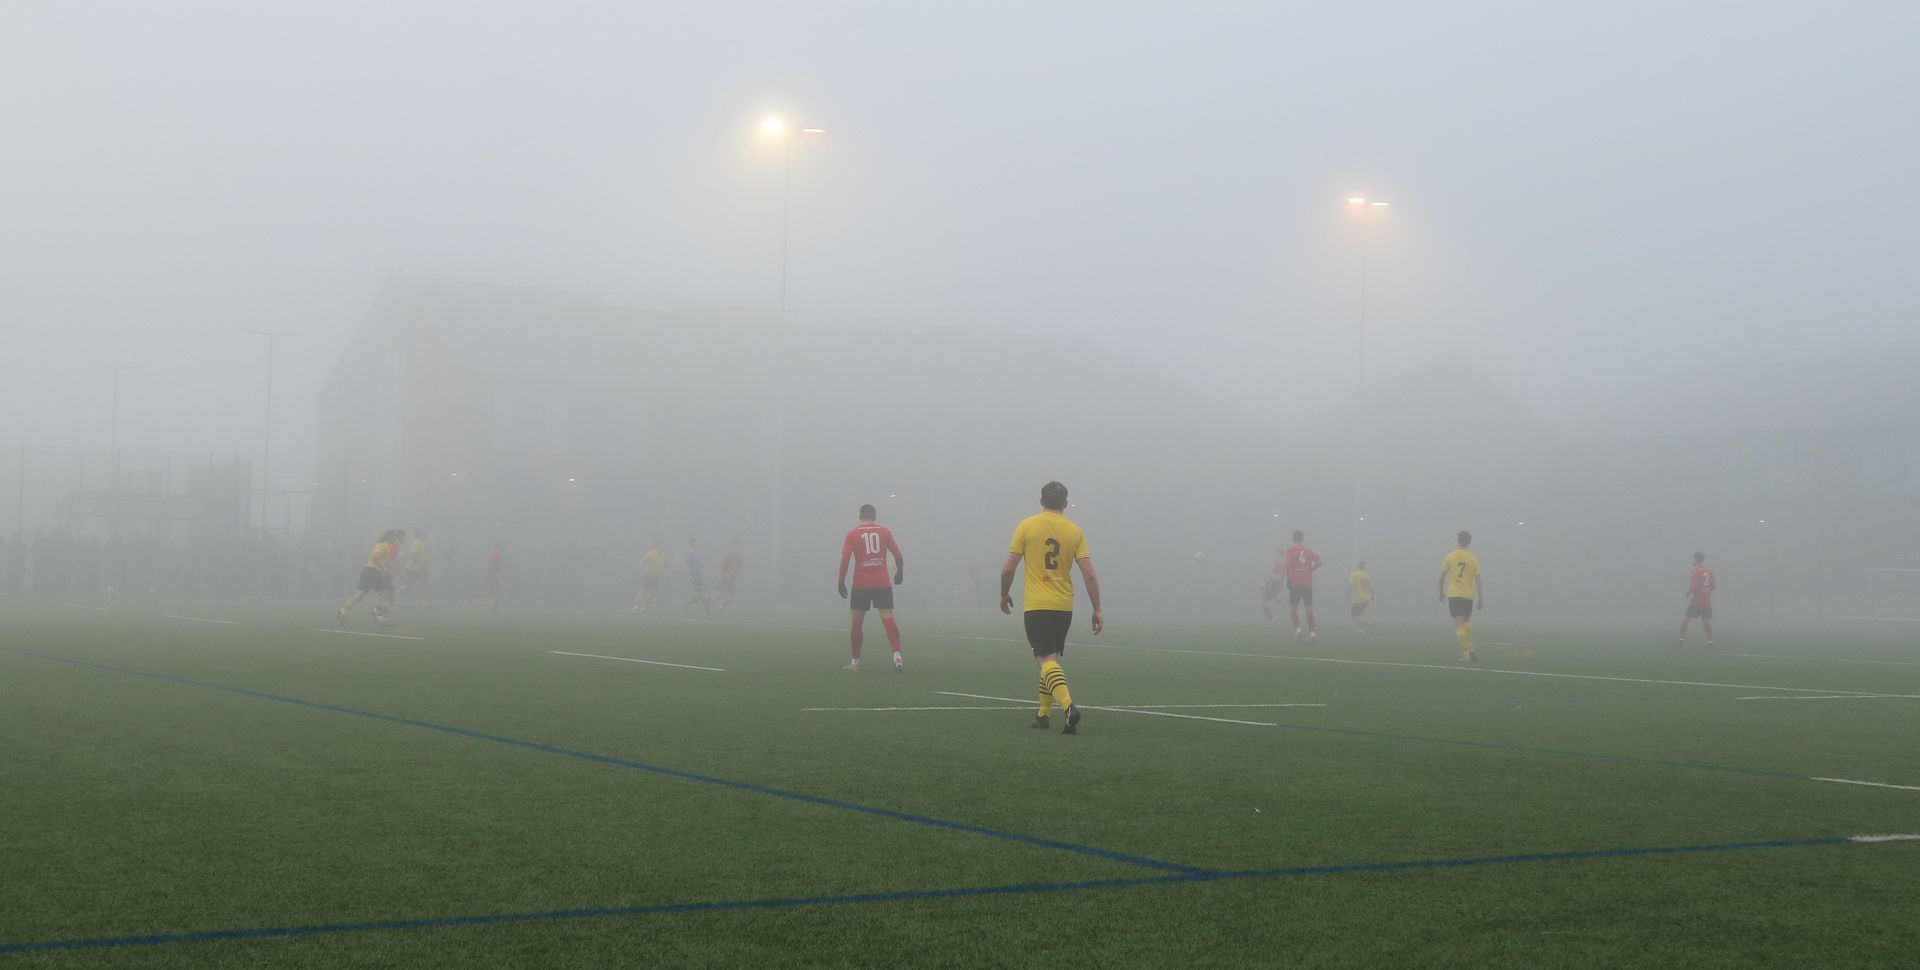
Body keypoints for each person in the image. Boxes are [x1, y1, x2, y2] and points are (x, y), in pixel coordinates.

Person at [1001, 481, 1102, 735]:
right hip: (1063, 606)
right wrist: (1097, 608)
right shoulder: (1075, 531)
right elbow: (1089, 573)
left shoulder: (1026, 526)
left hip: (1037, 605)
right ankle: (1043, 714)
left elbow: (1008, 568)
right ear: (1065, 504)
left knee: (1045, 659)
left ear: (1041, 501)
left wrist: (1004, 593)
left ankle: (1069, 708)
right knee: (1049, 658)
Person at [838, 505, 905, 671]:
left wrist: (840, 581)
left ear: (859, 516)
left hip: (861, 583)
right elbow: (898, 555)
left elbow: (845, 558)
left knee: (857, 621)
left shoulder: (852, 534)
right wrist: (900, 572)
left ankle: (855, 662)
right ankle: (897, 655)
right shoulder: (885, 532)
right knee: (888, 620)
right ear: (875, 516)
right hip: (882, 583)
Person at [337, 529, 403, 627]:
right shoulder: (384, 545)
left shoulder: (384, 545)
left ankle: (342, 612)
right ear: (389, 536)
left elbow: (385, 561)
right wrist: (383, 568)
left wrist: (396, 570)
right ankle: (383, 618)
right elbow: (374, 556)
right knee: (385, 594)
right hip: (373, 571)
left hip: (367, 571)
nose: (395, 538)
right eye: (394, 536)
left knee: (359, 597)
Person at [1438, 530, 1484, 662]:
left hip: (1455, 594)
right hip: (1468, 595)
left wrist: (1440, 592)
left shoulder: (1450, 556)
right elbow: (1478, 580)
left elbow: (1441, 577)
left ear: (1458, 540)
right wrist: (1480, 598)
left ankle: (1465, 653)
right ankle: (1471, 647)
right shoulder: (1473, 559)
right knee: (1467, 622)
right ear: (1469, 542)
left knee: (1459, 625)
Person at [1280, 530, 1323, 642]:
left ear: (1293, 539)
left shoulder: (1290, 551)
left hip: (1295, 583)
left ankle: (1298, 628)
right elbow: (1319, 562)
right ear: (1302, 539)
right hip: (1307, 584)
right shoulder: (1309, 551)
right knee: (1308, 608)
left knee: (1293, 607)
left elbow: (1287, 564)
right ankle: (1312, 632)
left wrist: (1288, 578)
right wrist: (1310, 570)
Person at [1678, 551, 1717, 648]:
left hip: (1697, 601)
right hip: (1707, 601)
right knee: (1706, 621)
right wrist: (1706, 593)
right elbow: (1713, 586)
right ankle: (1710, 642)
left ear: (1696, 559)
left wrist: (1688, 592)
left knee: (1686, 619)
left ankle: (1680, 640)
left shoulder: (1695, 570)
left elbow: (1694, 586)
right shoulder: (1709, 570)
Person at [398, 528, 434, 609]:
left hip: (420, 569)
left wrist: (425, 560)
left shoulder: (422, 543)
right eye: (423, 533)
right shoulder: (417, 543)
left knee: (428, 584)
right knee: (408, 587)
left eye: (425, 533)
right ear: (418, 535)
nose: (425, 535)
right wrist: (422, 559)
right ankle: (393, 595)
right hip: (412, 569)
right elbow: (411, 556)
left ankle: (428, 604)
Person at [632, 541, 667, 612]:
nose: (661, 548)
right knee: (643, 590)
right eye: (659, 546)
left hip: (655, 576)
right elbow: (643, 561)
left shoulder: (663, 555)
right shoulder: (651, 553)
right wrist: (643, 570)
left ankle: (644, 607)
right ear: (655, 546)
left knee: (653, 593)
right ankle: (636, 606)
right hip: (647, 575)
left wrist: (668, 564)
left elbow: (663, 563)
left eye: (661, 546)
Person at [681, 539, 711, 617]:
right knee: (705, 594)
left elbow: (695, 564)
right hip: (695, 575)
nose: (697, 545)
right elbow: (685, 564)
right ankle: (707, 613)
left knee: (700, 595)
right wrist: (689, 575)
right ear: (692, 545)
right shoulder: (690, 554)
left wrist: (701, 565)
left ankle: (686, 607)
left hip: (698, 575)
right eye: (696, 544)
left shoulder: (695, 554)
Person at [473, 540, 504, 611]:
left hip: (493, 573)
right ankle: (495, 605)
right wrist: (496, 573)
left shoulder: (496, 553)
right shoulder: (496, 553)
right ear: (499, 546)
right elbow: (493, 564)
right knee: (495, 590)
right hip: (493, 573)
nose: (503, 547)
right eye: (502, 545)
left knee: (494, 591)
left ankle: (495, 604)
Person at [1260, 546, 1285, 626]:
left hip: (1275, 586)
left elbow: (1277, 577)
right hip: (1273, 585)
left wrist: (1270, 571)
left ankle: (1272, 621)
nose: (1274, 556)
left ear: (1280, 554)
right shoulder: (1278, 563)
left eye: (1276, 554)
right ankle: (1276, 599)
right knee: (1264, 600)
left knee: (1264, 603)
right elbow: (1274, 577)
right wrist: (1266, 583)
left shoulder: (1281, 564)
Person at [716, 540, 744, 611]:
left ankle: (721, 605)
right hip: (725, 578)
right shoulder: (729, 555)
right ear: (734, 546)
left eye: (740, 546)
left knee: (732, 598)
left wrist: (739, 569)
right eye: (737, 545)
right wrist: (725, 573)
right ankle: (709, 605)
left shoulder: (740, 557)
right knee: (719, 594)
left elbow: (739, 568)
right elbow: (721, 566)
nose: (739, 547)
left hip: (732, 578)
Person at [1348, 560, 1374, 632]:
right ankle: (1361, 629)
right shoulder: (1367, 575)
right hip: (1367, 598)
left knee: (1353, 615)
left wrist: (1348, 593)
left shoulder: (1354, 574)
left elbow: (1350, 584)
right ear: (1364, 567)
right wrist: (1372, 596)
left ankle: (1369, 623)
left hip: (1359, 598)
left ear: (1358, 566)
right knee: (1360, 614)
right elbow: (1372, 587)